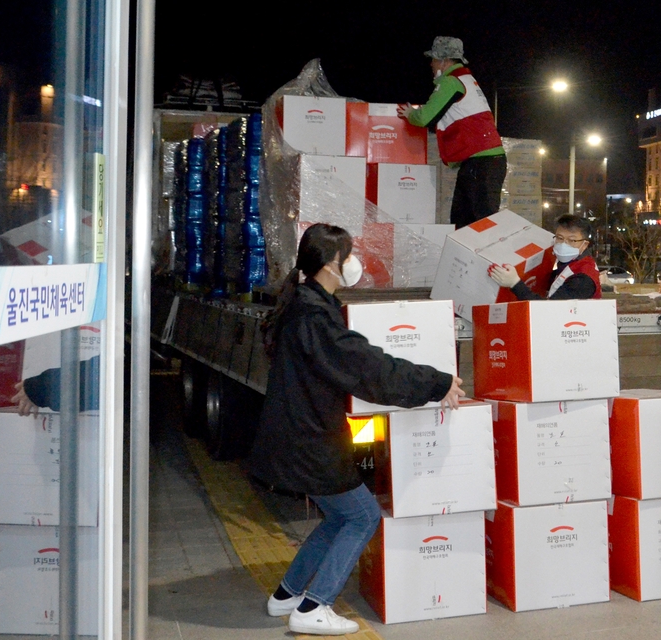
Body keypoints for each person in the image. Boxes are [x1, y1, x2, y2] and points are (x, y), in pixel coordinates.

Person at [246, 223, 464, 635]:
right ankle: (314, 607)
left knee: (337, 517)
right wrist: (436, 383)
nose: (353, 262)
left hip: (300, 433)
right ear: (331, 263)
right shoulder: (314, 316)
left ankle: (286, 595)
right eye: (347, 256)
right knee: (363, 516)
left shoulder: (309, 304)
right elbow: (368, 367)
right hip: (310, 439)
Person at [397, 36, 507, 229]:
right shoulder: (466, 79)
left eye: (433, 59)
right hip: (481, 162)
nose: (431, 64)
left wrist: (410, 114)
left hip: (480, 163)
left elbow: (425, 118)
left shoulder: (451, 81)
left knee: (478, 224)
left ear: (443, 60)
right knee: (465, 223)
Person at [488, 214, 602, 300]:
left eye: (572, 240)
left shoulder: (582, 279)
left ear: (584, 245)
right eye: (560, 238)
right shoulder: (568, 265)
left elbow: (546, 310)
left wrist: (514, 283)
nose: (564, 244)